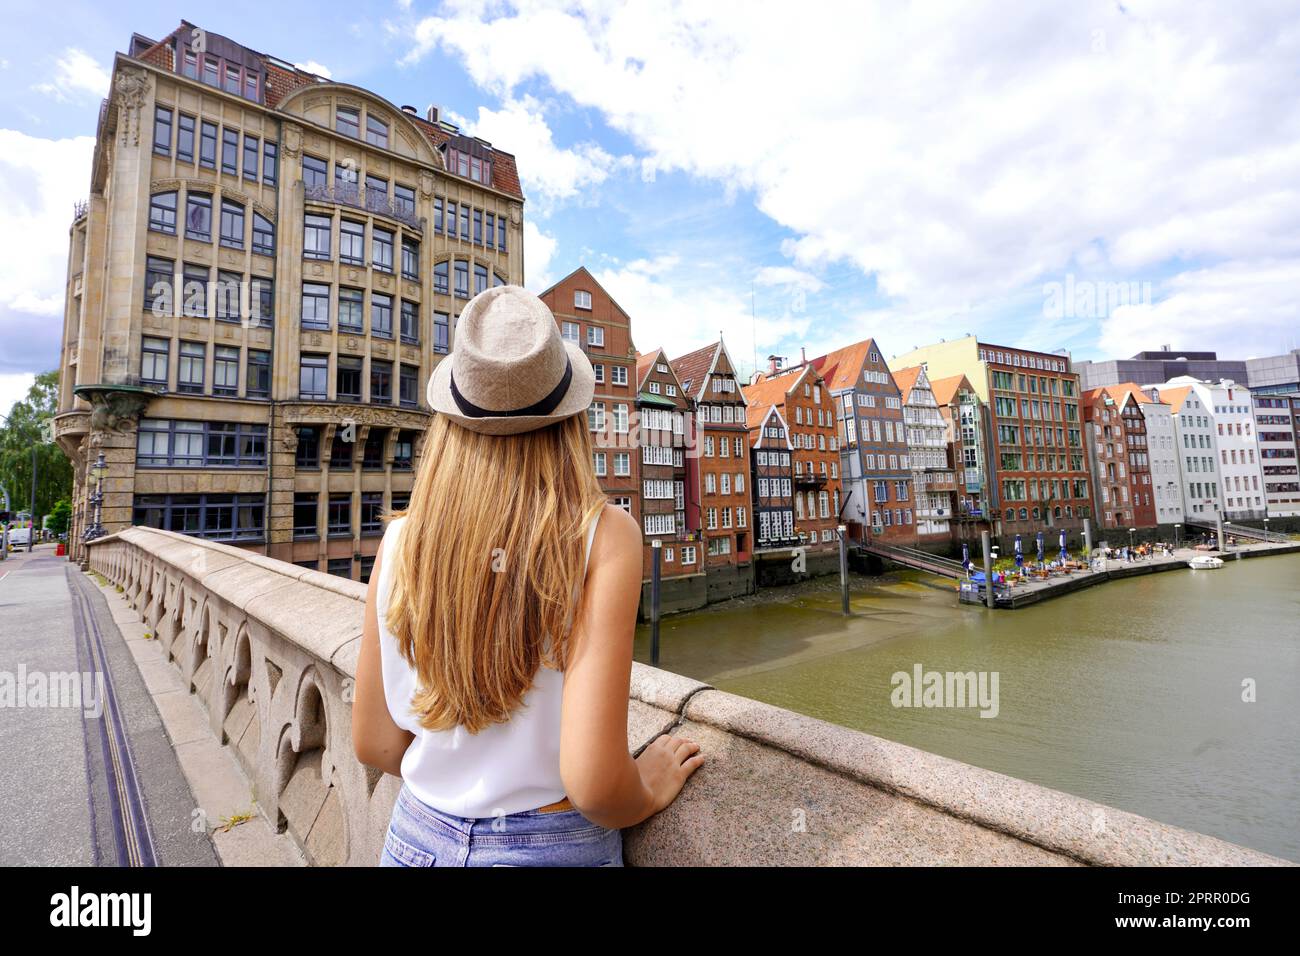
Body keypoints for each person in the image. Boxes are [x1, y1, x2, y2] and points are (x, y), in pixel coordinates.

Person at [352, 286, 703, 867]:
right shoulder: (603, 536)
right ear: (571, 422)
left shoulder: (398, 541)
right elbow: (595, 786)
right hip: (547, 845)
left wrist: (461, 770)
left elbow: (374, 742)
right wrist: (648, 784)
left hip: (415, 836)